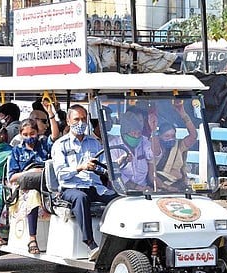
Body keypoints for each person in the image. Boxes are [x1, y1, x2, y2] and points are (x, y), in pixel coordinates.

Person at [51, 104, 117, 261]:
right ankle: (90, 244)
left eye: (83, 119)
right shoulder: (61, 145)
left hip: (94, 187)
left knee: (118, 200)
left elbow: (103, 166)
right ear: (68, 121)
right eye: (76, 119)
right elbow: (61, 174)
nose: (80, 123)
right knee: (81, 198)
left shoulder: (94, 143)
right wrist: (80, 167)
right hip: (70, 188)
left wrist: (115, 164)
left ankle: (117, 242)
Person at [8, 119, 53, 254]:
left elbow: (55, 136)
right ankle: (32, 238)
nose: (29, 137)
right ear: (21, 134)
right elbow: (12, 177)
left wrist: (51, 115)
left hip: (46, 186)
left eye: (32, 134)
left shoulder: (45, 146)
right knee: (33, 195)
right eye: (25, 134)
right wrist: (29, 173)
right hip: (25, 190)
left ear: (37, 132)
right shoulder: (17, 151)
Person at [151, 100, 197, 191]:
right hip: (160, 186)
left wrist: (183, 113)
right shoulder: (155, 145)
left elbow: (193, 136)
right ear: (160, 136)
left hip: (178, 185)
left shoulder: (178, 146)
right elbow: (155, 148)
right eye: (167, 136)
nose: (170, 139)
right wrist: (153, 129)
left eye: (173, 136)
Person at [110, 111, 154, 191]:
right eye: (133, 133)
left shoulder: (143, 141)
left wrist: (154, 131)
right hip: (121, 191)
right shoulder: (113, 146)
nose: (137, 136)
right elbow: (113, 172)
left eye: (139, 133)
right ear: (123, 134)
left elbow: (153, 154)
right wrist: (137, 187)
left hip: (144, 189)